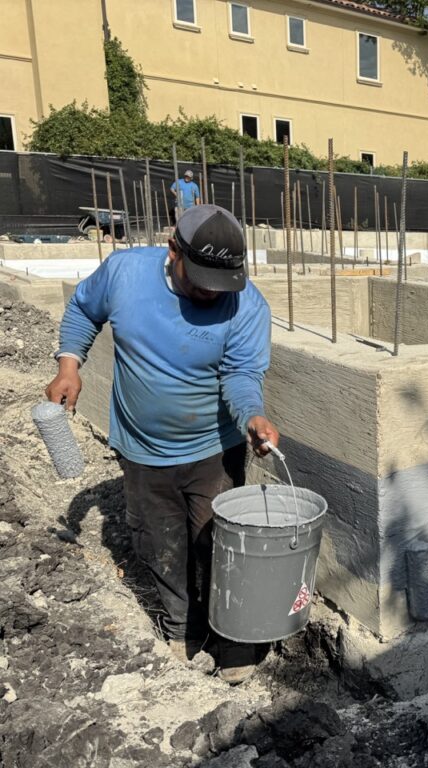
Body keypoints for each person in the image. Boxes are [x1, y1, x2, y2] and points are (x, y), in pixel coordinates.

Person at [46, 204, 279, 684]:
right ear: (173, 251)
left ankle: (233, 640)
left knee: (221, 544)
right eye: (201, 282)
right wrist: (69, 364)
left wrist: (251, 415)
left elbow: (240, 375)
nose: (212, 293)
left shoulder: (247, 305)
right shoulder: (124, 273)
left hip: (214, 449)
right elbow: (83, 310)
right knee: (160, 543)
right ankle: (182, 629)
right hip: (141, 448)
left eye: (222, 284)